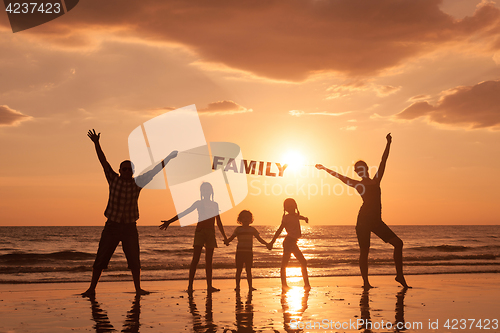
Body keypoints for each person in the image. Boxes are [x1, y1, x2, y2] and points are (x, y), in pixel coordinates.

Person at [82, 129, 178, 297]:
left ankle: (138, 289)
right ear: (120, 170)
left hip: (129, 228)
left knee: (134, 259)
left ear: (132, 171)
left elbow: (155, 170)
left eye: (129, 170)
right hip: (111, 226)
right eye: (124, 169)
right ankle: (91, 289)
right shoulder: (113, 179)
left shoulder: (137, 183)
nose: (126, 172)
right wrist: (97, 144)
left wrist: (168, 158)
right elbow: (103, 161)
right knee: (101, 257)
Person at [316, 133, 410, 289]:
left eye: (362, 168)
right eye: (358, 170)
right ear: (357, 172)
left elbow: (383, 160)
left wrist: (388, 143)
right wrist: (324, 168)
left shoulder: (376, 180)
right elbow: (339, 176)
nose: (361, 171)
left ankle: (399, 275)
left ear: (366, 169)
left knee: (398, 244)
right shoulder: (358, 185)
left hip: (376, 221)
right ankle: (366, 283)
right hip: (363, 221)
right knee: (364, 251)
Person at [160, 182, 228, 293]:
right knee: (195, 259)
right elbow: (184, 213)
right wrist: (169, 221)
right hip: (200, 232)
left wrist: (225, 237)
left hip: (211, 233)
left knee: (209, 261)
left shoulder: (215, 204)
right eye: (204, 190)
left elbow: (218, 222)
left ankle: (209, 286)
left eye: (208, 190)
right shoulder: (199, 203)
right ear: (201, 192)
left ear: (211, 192)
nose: (206, 192)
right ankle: (190, 286)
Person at [268, 198, 310, 291]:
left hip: (293, 242)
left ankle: (306, 284)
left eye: (292, 206)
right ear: (285, 209)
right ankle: (285, 285)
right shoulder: (286, 218)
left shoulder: (296, 215)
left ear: (295, 206)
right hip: (288, 242)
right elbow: (279, 230)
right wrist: (272, 242)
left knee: (303, 262)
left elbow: (299, 217)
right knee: (286, 264)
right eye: (288, 207)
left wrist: (305, 218)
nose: (291, 208)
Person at [224, 210, 268, 291]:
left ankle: (250, 286)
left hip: (249, 253)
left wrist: (267, 244)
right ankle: (237, 286)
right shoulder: (238, 229)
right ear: (240, 219)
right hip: (240, 252)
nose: (245, 219)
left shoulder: (252, 230)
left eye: (247, 217)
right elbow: (231, 238)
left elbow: (259, 239)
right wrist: (227, 241)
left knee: (248, 270)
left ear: (250, 219)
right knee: (239, 270)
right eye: (243, 217)